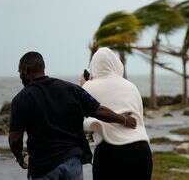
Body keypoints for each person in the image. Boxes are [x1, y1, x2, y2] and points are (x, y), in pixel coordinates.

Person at [8, 51, 137, 180]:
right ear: (43, 68)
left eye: (20, 72)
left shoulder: (21, 99)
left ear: (25, 71)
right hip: (72, 162)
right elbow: (98, 111)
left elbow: (15, 138)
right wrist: (124, 119)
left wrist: (20, 157)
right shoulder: (71, 89)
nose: (20, 76)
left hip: (43, 166)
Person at [82, 47, 152, 180]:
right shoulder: (131, 86)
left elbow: (81, 116)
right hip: (141, 149)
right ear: (116, 64)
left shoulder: (88, 87)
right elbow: (139, 120)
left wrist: (84, 85)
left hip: (109, 152)